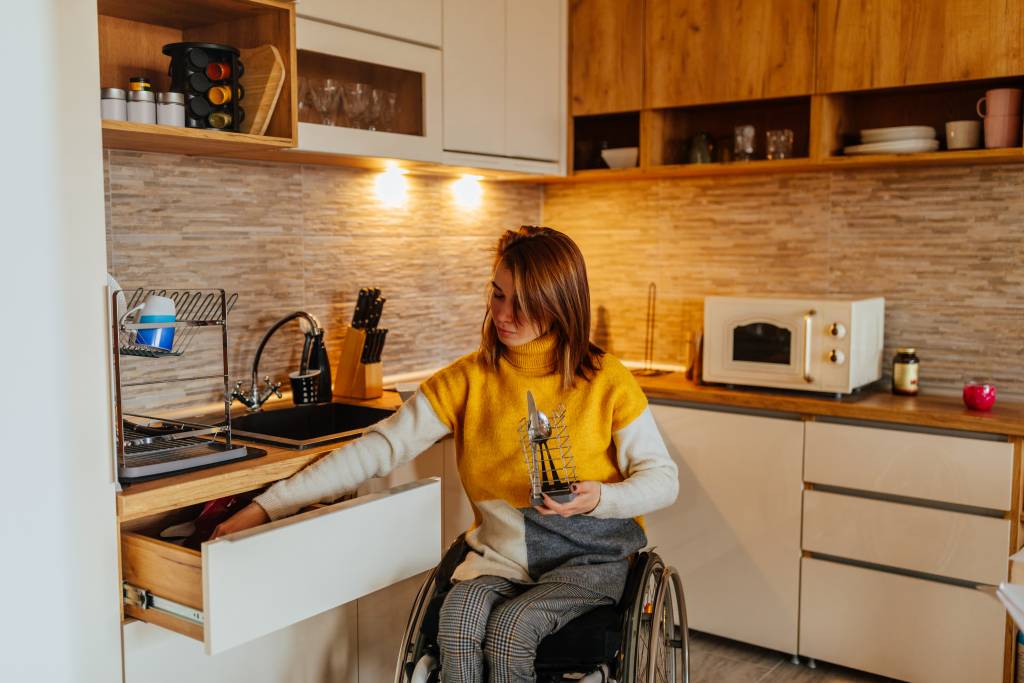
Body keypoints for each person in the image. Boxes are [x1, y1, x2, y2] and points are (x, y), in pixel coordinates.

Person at [212, 225, 679, 683]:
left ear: (560, 306)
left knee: (511, 632)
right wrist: (265, 507)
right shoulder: (468, 379)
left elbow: (662, 478)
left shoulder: (606, 380)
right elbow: (380, 448)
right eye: (498, 295)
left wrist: (599, 498)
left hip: (591, 560)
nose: (504, 314)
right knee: (456, 622)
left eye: (524, 304)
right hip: (502, 557)